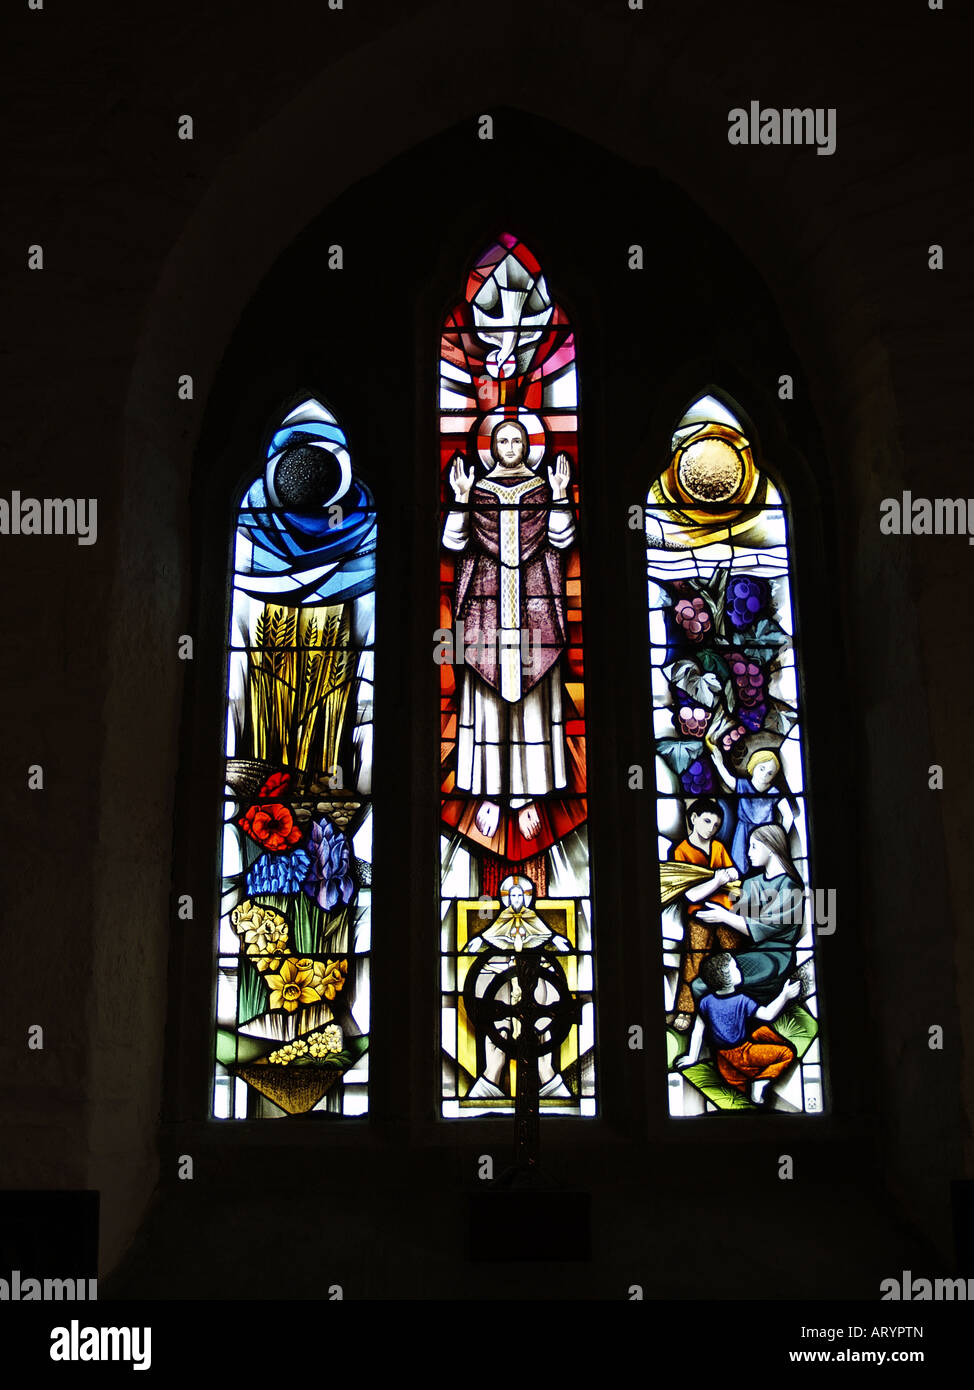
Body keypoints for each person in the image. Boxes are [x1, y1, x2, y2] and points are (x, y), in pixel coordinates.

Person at [442, 419, 573, 845]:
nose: (511, 446)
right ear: (492, 447)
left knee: (534, 706)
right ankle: (489, 794)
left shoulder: (540, 490)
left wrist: (557, 495)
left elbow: (560, 535)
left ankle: (528, 794)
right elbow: (453, 542)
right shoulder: (478, 492)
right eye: (503, 440)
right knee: (484, 705)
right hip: (485, 617)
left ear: (527, 445)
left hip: (535, 617)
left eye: (518, 439)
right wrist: (461, 499)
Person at [462, 874, 572, 1101]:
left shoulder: (532, 918)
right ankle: (493, 1076)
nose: (516, 899)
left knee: (540, 1033)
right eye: (511, 895)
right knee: (499, 1032)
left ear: (526, 897)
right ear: (506, 898)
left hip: (534, 983)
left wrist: (556, 938)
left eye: (519, 894)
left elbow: (544, 933)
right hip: (504, 981)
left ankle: (545, 1077)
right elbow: (491, 934)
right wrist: (479, 941)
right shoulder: (503, 919)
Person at [694, 823, 805, 1005]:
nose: (748, 852)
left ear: (770, 848)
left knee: (705, 986)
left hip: (775, 958)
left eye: (754, 846)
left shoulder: (790, 888)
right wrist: (718, 885)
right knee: (701, 983)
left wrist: (724, 916)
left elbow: (762, 927)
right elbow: (742, 918)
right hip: (752, 953)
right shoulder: (751, 883)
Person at [675, 952, 799, 1105]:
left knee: (762, 1032)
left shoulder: (706, 1001)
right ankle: (760, 1082)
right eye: (734, 967)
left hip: (722, 1060)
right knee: (787, 1053)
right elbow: (768, 1015)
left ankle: (754, 1075)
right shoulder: (742, 1000)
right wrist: (784, 995)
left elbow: (698, 1030)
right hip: (741, 1056)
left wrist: (691, 1057)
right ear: (726, 977)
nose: (739, 968)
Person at [669, 798, 745, 1030]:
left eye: (716, 825)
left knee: (734, 957)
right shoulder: (681, 851)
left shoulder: (718, 847)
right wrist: (717, 880)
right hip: (699, 917)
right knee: (694, 962)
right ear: (693, 819)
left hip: (725, 912)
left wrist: (729, 874)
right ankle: (686, 1011)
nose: (711, 828)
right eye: (707, 821)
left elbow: (733, 873)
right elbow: (690, 895)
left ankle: (738, 1007)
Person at [709, 746, 795, 875]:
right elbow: (728, 779)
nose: (765, 775)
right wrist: (719, 764)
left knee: (762, 869)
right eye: (762, 768)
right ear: (753, 765)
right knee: (740, 868)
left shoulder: (774, 792)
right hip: (743, 831)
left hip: (763, 835)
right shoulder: (743, 785)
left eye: (770, 773)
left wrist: (778, 836)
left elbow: (789, 815)